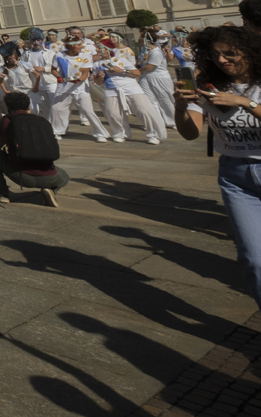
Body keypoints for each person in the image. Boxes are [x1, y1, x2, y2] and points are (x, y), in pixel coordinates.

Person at [175, 26, 261, 309]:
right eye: (215, 55)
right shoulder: (210, 87)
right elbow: (191, 134)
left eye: (230, 53)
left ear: (249, 51)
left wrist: (245, 103)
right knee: (253, 259)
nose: (222, 60)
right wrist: (180, 107)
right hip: (236, 178)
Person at [0, 91, 69, 206]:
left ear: (8, 107)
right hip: (49, 176)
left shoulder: (4, 121)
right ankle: (51, 190)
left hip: (21, 175)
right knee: (64, 175)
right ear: (28, 106)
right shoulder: (42, 120)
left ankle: (2, 193)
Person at [98, 31, 166, 145]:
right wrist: (100, 77)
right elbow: (97, 80)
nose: (97, 50)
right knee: (113, 114)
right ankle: (120, 134)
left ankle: (153, 134)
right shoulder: (98, 64)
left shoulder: (122, 60)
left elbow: (136, 73)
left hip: (131, 88)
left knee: (143, 110)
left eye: (100, 48)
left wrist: (122, 71)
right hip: (111, 90)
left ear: (107, 49)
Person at [48, 37, 110, 142]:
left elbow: (85, 73)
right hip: (63, 88)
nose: (81, 47)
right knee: (56, 109)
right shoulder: (59, 56)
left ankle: (100, 133)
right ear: (71, 45)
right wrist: (59, 77)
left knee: (88, 111)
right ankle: (56, 131)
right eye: (78, 45)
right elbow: (53, 69)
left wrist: (78, 80)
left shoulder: (85, 56)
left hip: (81, 88)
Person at [140, 29, 177, 129]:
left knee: (165, 99)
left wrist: (136, 71)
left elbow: (150, 66)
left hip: (159, 78)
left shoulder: (156, 52)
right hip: (146, 78)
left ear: (147, 41)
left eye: (141, 39)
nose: (139, 41)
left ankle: (173, 121)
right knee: (150, 100)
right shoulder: (146, 52)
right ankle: (157, 121)